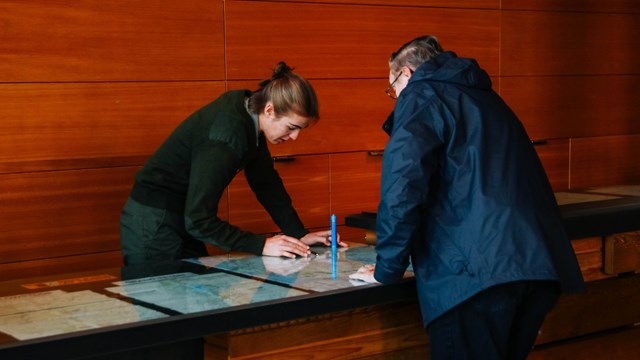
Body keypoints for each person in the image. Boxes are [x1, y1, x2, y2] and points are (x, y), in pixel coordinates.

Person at [349, 36, 585, 359]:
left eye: (392, 89)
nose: (395, 99)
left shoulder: (421, 95)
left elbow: (403, 184)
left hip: (474, 279)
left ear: (405, 74)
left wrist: (385, 269)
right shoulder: (486, 99)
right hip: (536, 268)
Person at [120, 61, 346, 266]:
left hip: (182, 216)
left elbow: (266, 182)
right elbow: (199, 220)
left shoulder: (250, 112)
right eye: (292, 127)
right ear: (269, 110)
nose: (294, 137)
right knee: (169, 308)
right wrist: (262, 245)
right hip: (153, 222)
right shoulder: (227, 136)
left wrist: (298, 233)